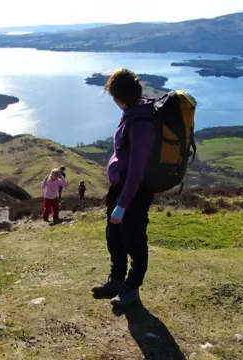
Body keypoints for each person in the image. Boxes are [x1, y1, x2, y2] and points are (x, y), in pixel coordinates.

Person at [91, 68, 156, 308]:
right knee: (114, 237)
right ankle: (116, 280)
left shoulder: (140, 123)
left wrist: (122, 204)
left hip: (134, 192)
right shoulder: (131, 113)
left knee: (134, 241)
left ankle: (131, 290)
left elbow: (137, 170)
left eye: (114, 96)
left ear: (122, 96)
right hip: (120, 189)